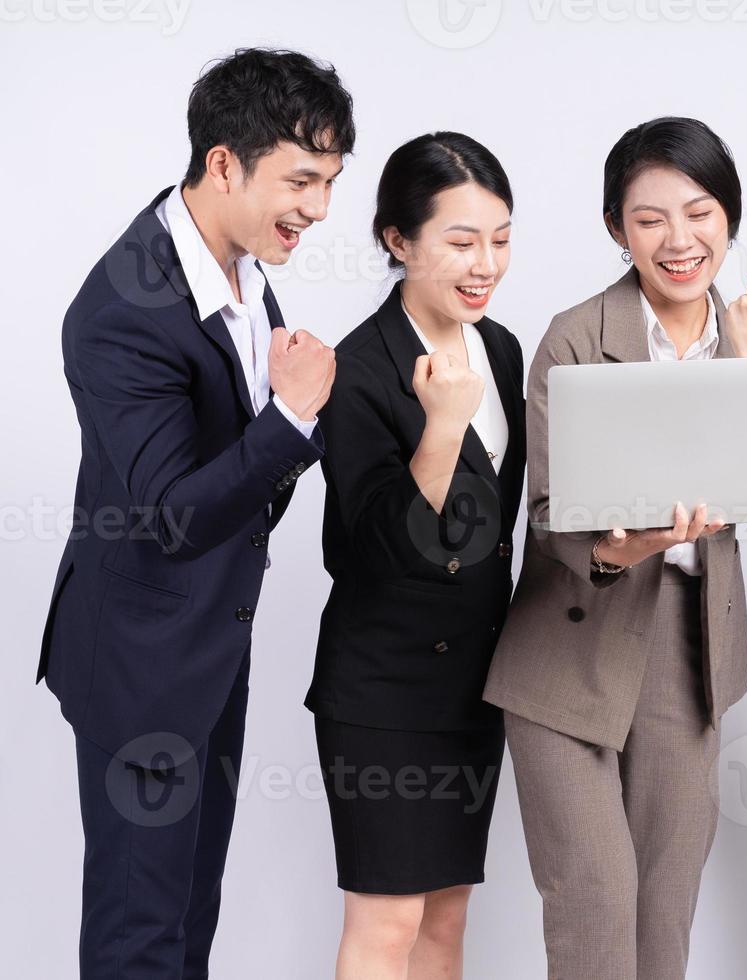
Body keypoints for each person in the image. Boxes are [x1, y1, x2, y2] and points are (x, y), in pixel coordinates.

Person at [36, 47, 353, 978]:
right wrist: (296, 415)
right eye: (300, 180)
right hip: (140, 672)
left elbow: (246, 476)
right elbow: (172, 514)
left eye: (330, 182)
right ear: (224, 164)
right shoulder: (121, 308)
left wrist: (296, 423)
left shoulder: (244, 272)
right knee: (140, 937)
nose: (318, 209)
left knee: (189, 921)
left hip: (213, 649)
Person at [482, 116, 747, 980]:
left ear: (728, 216)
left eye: (699, 213)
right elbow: (546, 513)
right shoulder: (574, 338)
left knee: (666, 910)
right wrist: (633, 544)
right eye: (649, 219)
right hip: (568, 653)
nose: (679, 241)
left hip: (686, 653)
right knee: (595, 908)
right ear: (617, 228)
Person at [308, 131, 526, 980]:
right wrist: (439, 427)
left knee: (445, 918)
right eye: (461, 242)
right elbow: (370, 551)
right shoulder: (357, 369)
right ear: (399, 242)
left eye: (501, 239)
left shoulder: (498, 348)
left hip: (474, 681)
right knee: (387, 921)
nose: (486, 263)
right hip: (384, 689)